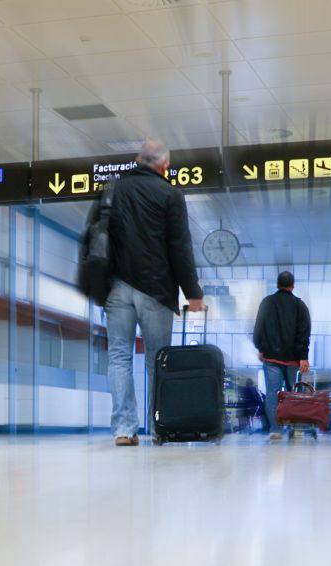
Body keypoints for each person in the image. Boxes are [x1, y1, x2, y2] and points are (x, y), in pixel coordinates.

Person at [103, 139, 205, 447]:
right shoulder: (170, 195)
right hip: (156, 290)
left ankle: (124, 429)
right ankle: (159, 427)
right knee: (157, 361)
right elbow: (180, 247)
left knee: (119, 357)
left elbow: (99, 237)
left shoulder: (114, 189)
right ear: (165, 166)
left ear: (137, 159)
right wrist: (193, 292)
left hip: (117, 287)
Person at [253, 271, 311, 441]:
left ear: (278, 284)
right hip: (293, 359)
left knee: (272, 394)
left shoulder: (267, 303)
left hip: (271, 358)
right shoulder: (300, 306)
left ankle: (276, 430)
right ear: (292, 285)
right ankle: (295, 428)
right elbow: (304, 333)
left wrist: (260, 347)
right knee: (293, 393)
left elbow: (258, 328)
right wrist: (303, 356)